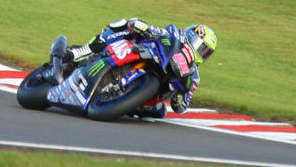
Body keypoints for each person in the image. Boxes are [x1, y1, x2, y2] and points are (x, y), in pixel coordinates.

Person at [68, 18, 217, 116]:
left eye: (205, 52)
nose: (201, 53)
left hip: (147, 96)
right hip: (142, 53)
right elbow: (155, 30)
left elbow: (182, 105)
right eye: (201, 46)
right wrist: (142, 26)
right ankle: (81, 52)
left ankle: (127, 102)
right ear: (192, 36)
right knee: (122, 26)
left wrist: (180, 99)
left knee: (159, 112)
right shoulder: (173, 34)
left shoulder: (194, 77)